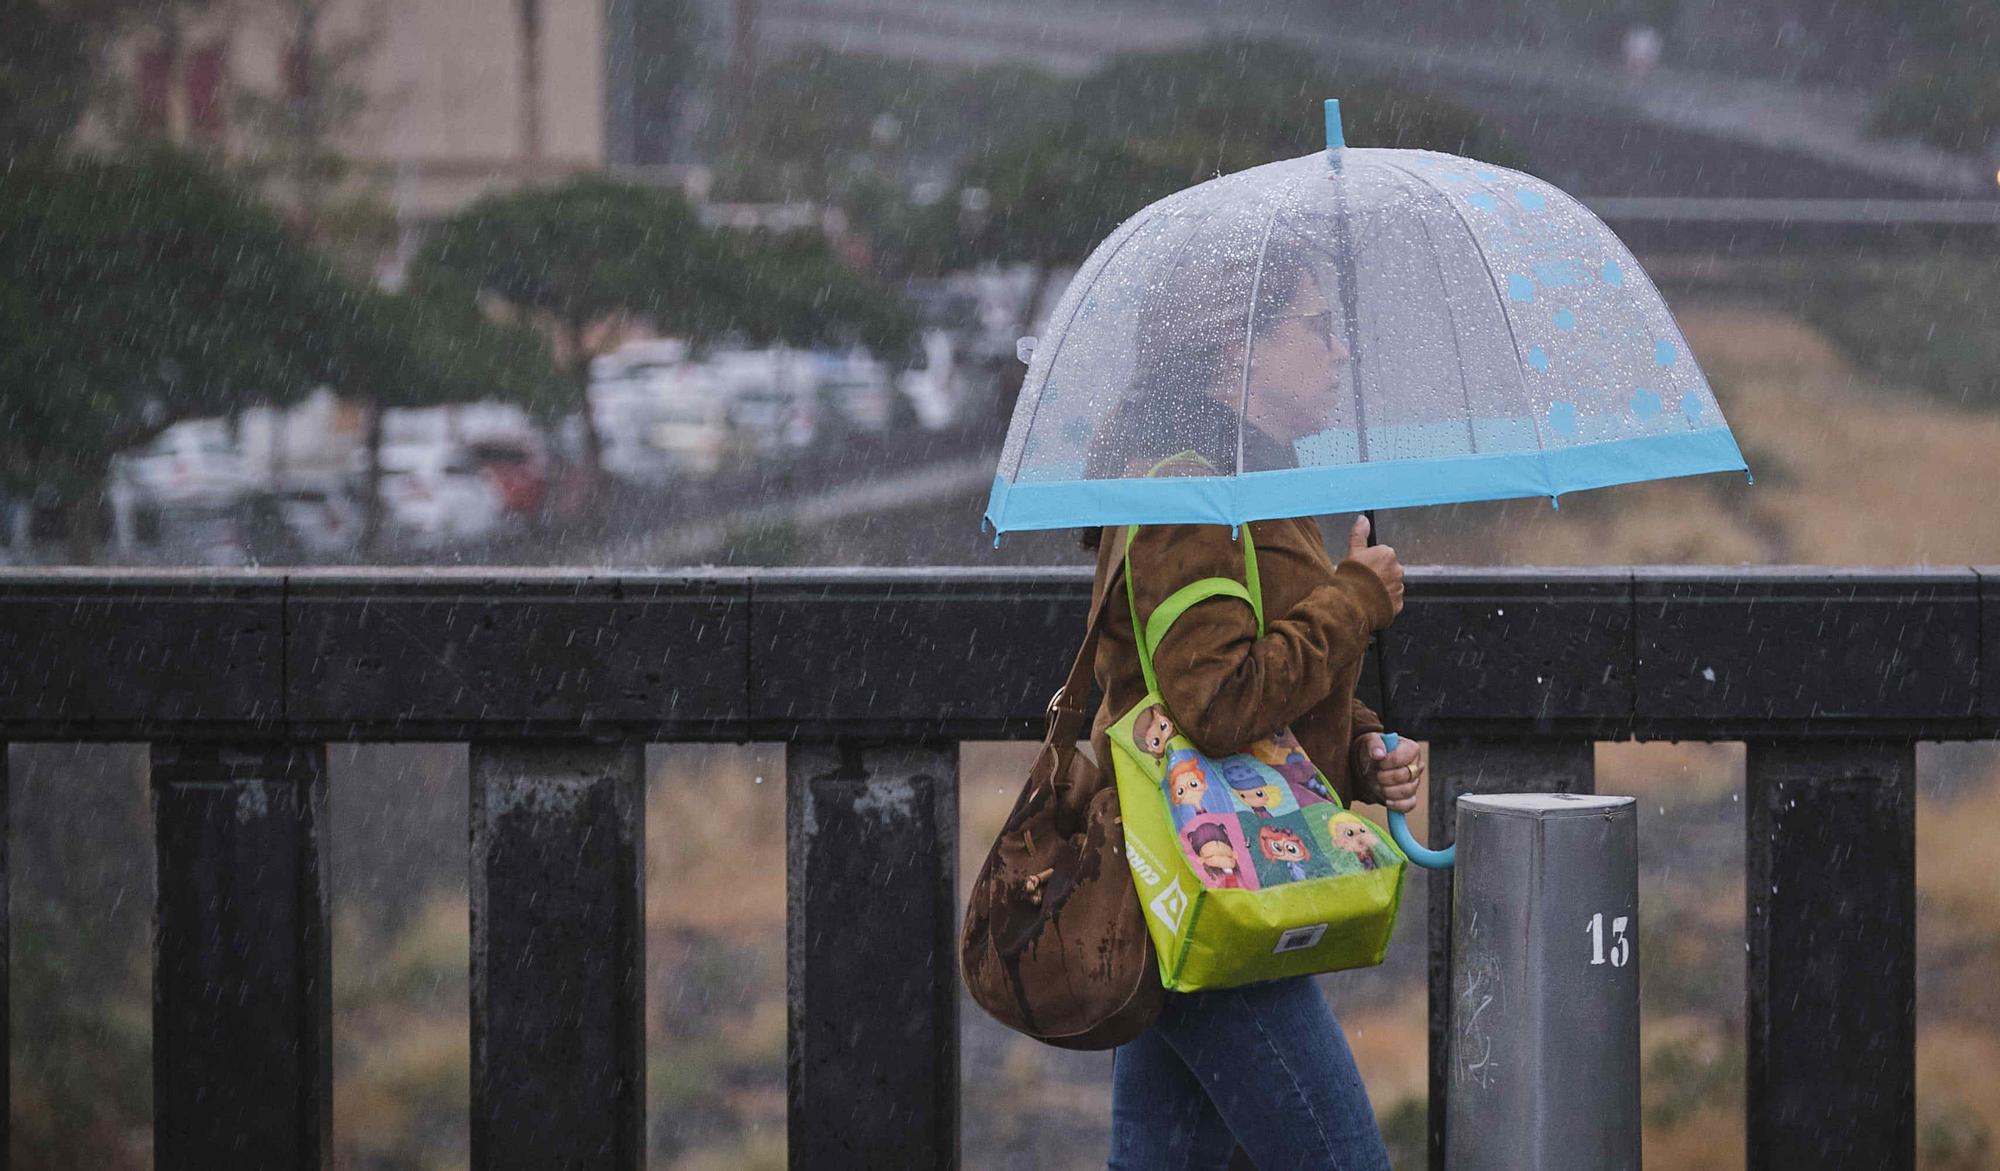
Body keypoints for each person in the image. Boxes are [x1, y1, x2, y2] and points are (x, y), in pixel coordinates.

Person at [1084, 258, 1425, 1170]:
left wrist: (1359, 750)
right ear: (1235, 351)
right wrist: (1356, 597)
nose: (1342, 351)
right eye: (1317, 326)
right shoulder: (1190, 498)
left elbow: (1258, 692)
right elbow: (1218, 701)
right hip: (1217, 894)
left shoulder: (1249, 485)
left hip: (1201, 890)